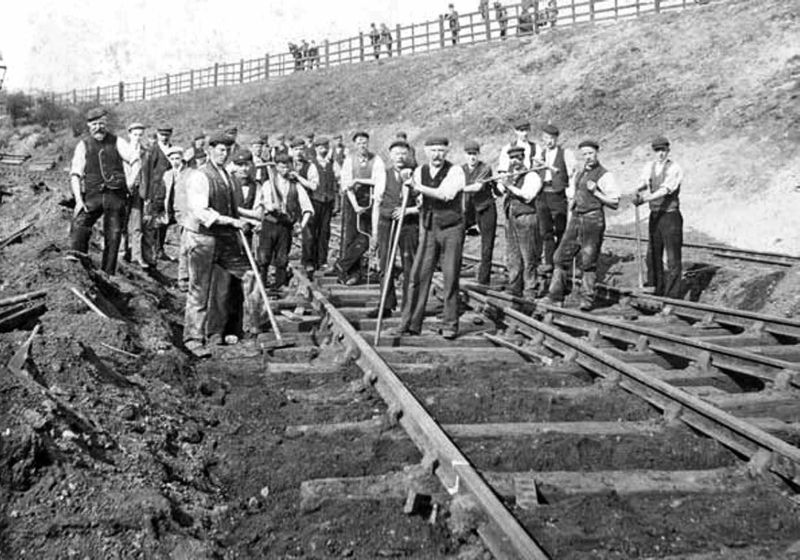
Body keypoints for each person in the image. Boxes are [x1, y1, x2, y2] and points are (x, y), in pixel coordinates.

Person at [181, 132, 252, 356]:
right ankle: (193, 339)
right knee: (199, 290)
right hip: (202, 238)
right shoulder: (200, 176)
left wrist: (250, 219)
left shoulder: (227, 177)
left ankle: (247, 329)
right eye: (220, 149)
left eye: (227, 150)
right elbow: (202, 212)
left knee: (249, 276)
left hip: (223, 238)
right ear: (210, 150)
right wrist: (232, 221)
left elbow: (231, 208)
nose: (224, 154)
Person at [398, 137, 466, 340]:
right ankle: (410, 323)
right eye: (433, 150)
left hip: (451, 228)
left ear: (447, 152)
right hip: (428, 227)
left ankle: (450, 324)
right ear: (426, 152)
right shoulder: (420, 172)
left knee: (450, 276)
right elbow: (415, 197)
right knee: (418, 275)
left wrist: (418, 188)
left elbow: (446, 194)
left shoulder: (456, 171)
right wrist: (407, 183)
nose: (437, 154)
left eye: (441, 150)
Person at [544, 139, 620, 311]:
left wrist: (596, 192)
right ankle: (555, 296)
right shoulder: (580, 173)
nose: (588, 157)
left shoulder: (605, 175)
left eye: (590, 153)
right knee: (559, 257)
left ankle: (587, 299)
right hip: (577, 217)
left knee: (588, 260)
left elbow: (615, 202)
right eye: (584, 154)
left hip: (593, 220)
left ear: (597, 153)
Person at [68, 107, 137, 274]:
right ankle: (78, 264)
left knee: (113, 235)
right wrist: (78, 200)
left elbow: (135, 159)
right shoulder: (83, 145)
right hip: (93, 195)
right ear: (88, 125)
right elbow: (75, 174)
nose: (98, 127)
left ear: (106, 124)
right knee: (80, 225)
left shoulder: (117, 141)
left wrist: (131, 182)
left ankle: (108, 274)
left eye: (101, 123)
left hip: (116, 195)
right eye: (94, 124)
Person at [368, 139, 419, 319]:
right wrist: (374, 232)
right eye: (396, 153)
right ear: (390, 156)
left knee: (409, 264)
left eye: (404, 153)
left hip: (408, 224)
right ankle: (386, 305)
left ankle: (409, 307)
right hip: (386, 223)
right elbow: (377, 203)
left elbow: (423, 204)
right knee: (385, 264)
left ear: (409, 155)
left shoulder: (416, 174)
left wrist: (408, 210)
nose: (400, 157)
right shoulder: (383, 174)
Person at [634, 136, 683, 299]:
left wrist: (645, 199)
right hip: (655, 215)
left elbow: (666, 189)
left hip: (670, 217)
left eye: (663, 150)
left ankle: (673, 296)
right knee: (653, 254)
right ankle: (657, 289)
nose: (660, 154)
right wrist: (639, 189)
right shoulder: (650, 166)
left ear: (668, 151)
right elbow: (644, 181)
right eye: (657, 151)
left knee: (672, 257)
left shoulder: (674, 168)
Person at [257, 153, 314, 290]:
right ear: (276, 167)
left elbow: (308, 208)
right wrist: (270, 206)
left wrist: (302, 225)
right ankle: (261, 285)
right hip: (269, 224)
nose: (285, 170)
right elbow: (262, 202)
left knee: (282, 258)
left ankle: (280, 285)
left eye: (287, 167)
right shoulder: (268, 184)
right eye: (282, 167)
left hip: (286, 226)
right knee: (264, 257)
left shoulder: (296, 186)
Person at [336, 131, 386, 285]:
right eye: (359, 143)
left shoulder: (376, 160)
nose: (362, 146)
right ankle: (351, 273)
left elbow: (380, 181)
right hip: (353, 202)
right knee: (351, 237)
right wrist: (355, 206)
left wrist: (358, 180)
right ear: (354, 145)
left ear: (368, 143)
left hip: (370, 200)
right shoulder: (349, 161)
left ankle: (342, 265)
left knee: (365, 237)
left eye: (364, 142)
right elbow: (346, 184)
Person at [532, 123, 576, 292]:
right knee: (546, 231)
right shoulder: (541, 154)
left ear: (556, 139)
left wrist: (571, 192)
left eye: (551, 139)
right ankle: (549, 262)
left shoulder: (565, 153)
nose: (548, 142)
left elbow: (571, 173)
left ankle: (561, 263)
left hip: (558, 194)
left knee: (561, 230)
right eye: (545, 139)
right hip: (543, 194)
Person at [498, 146, 543, 299]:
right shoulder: (512, 176)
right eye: (512, 158)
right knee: (513, 255)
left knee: (528, 255)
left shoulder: (532, 176)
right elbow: (501, 192)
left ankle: (530, 289)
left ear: (523, 159)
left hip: (526, 217)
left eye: (517, 158)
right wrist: (499, 185)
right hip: (511, 217)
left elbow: (528, 195)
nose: (514, 161)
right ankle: (515, 286)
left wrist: (509, 185)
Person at [461, 140, 497, 286]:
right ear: (465, 155)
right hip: (468, 210)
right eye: (469, 154)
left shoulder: (485, 168)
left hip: (485, 208)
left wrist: (457, 188)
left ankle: (484, 280)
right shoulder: (460, 169)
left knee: (487, 244)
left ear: (478, 154)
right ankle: (452, 271)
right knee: (455, 238)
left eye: (474, 154)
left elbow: (477, 187)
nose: (472, 157)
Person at [141, 124, 175, 268]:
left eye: (167, 134)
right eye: (162, 134)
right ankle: (151, 253)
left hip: (170, 189)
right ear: (157, 134)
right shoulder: (152, 150)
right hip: (156, 191)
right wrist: (147, 195)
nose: (165, 137)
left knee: (165, 220)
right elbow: (147, 173)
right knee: (152, 222)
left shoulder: (173, 150)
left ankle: (160, 249)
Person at [161, 146, 193, 290]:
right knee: (182, 244)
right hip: (172, 213)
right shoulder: (167, 175)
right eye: (172, 159)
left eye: (177, 159)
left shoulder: (189, 174)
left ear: (182, 159)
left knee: (185, 246)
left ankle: (184, 278)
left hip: (186, 213)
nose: (175, 162)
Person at [307, 137, 340, 272]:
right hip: (315, 201)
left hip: (328, 201)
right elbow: (310, 184)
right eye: (321, 147)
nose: (324, 150)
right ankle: (311, 260)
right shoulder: (312, 164)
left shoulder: (333, 164)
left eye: (325, 147)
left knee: (325, 231)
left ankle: (322, 260)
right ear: (316, 149)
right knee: (313, 231)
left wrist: (337, 201)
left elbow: (338, 181)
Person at [121, 122, 147, 268]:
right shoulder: (122, 150)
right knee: (122, 222)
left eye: (140, 135)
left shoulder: (145, 152)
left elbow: (146, 173)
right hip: (124, 190)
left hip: (138, 191)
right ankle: (122, 253)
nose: (137, 137)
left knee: (137, 225)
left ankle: (137, 257)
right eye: (135, 134)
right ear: (130, 134)